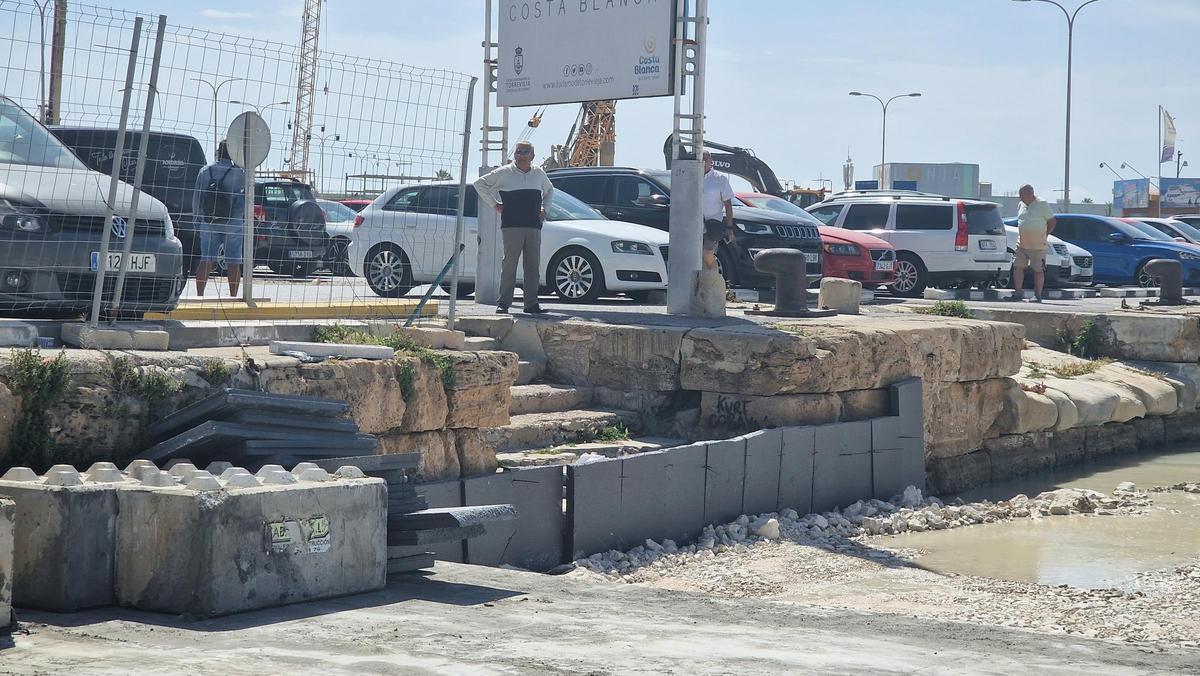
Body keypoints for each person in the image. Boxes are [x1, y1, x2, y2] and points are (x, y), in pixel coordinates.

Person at [474, 140, 554, 314]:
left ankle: (531, 304)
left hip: (533, 225)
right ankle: (503, 303)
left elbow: (549, 191)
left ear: (532, 155)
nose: (521, 155)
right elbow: (479, 184)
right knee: (509, 264)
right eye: (518, 152)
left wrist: (544, 210)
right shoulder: (504, 173)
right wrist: (495, 204)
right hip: (511, 225)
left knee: (532, 265)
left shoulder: (538, 173)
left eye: (525, 152)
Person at [191, 140, 245, 297]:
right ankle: (233, 296)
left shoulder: (205, 171)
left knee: (206, 259)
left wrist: (197, 222)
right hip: (233, 222)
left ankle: (200, 295)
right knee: (234, 261)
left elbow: (197, 198)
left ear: (217, 152)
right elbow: (245, 200)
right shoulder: (240, 173)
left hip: (209, 221)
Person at [1011, 183, 1056, 302]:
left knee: (1038, 269)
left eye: (1022, 195)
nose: (1020, 198)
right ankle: (1018, 293)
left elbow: (1052, 221)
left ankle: (1037, 295)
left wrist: (1045, 235)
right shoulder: (1021, 204)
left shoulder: (1042, 204)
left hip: (1038, 245)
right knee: (1018, 266)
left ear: (1030, 194)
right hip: (1022, 244)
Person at [702, 150, 735, 272]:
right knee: (694, 256)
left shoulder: (720, 179)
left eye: (706, 160)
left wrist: (729, 228)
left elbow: (728, 204)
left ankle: (714, 274)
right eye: (701, 160)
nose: (703, 163)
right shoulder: (691, 177)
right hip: (694, 222)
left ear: (711, 162)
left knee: (708, 253)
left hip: (713, 223)